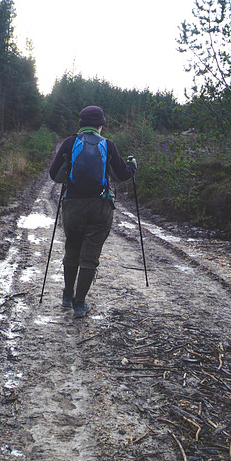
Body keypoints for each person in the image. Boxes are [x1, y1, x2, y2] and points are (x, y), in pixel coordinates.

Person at [50, 105, 137, 318]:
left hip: (73, 206)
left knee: (72, 248)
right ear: (100, 126)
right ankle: (80, 304)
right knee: (90, 255)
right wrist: (132, 166)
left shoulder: (70, 143)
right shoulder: (108, 145)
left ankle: (67, 296)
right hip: (100, 208)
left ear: (81, 125)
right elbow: (121, 175)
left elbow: (55, 176)